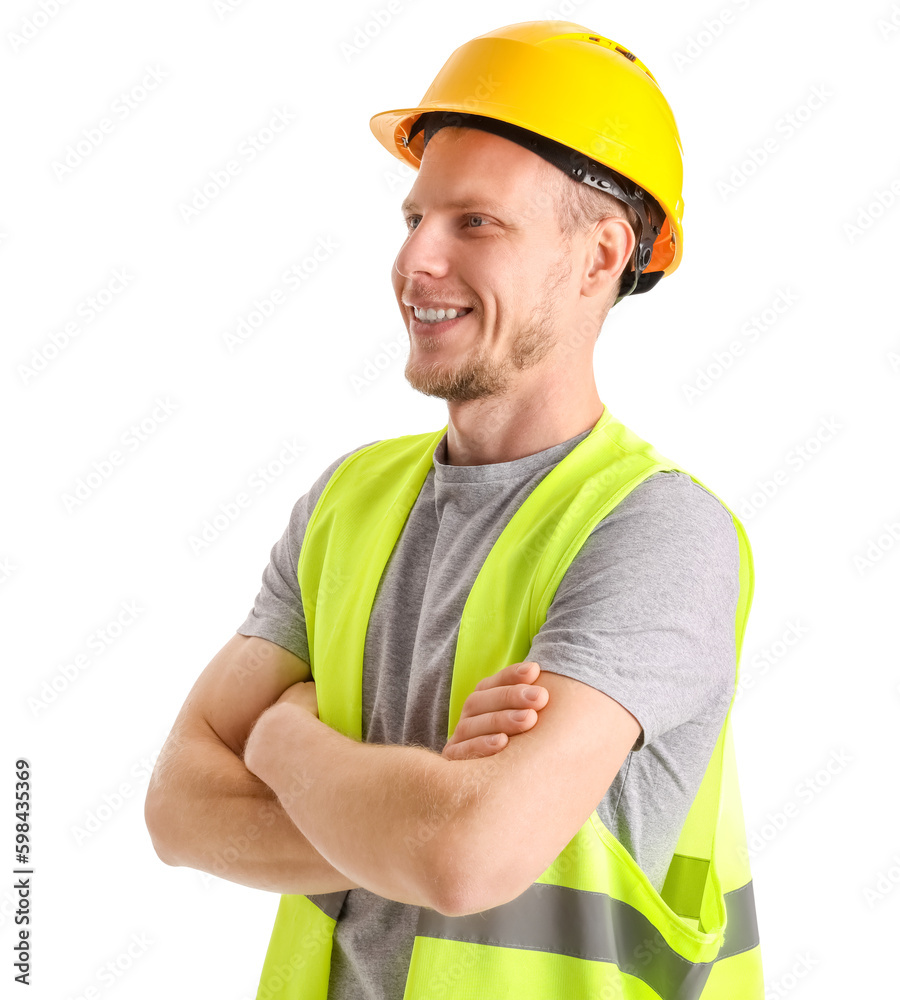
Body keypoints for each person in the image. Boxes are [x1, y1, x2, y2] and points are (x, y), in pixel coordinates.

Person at [145, 20, 763, 999]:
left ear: (602, 253)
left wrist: (284, 739)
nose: (417, 260)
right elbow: (177, 808)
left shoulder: (656, 532)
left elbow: (464, 861)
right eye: (414, 218)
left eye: (475, 222)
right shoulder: (348, 501)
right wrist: (412, 810)